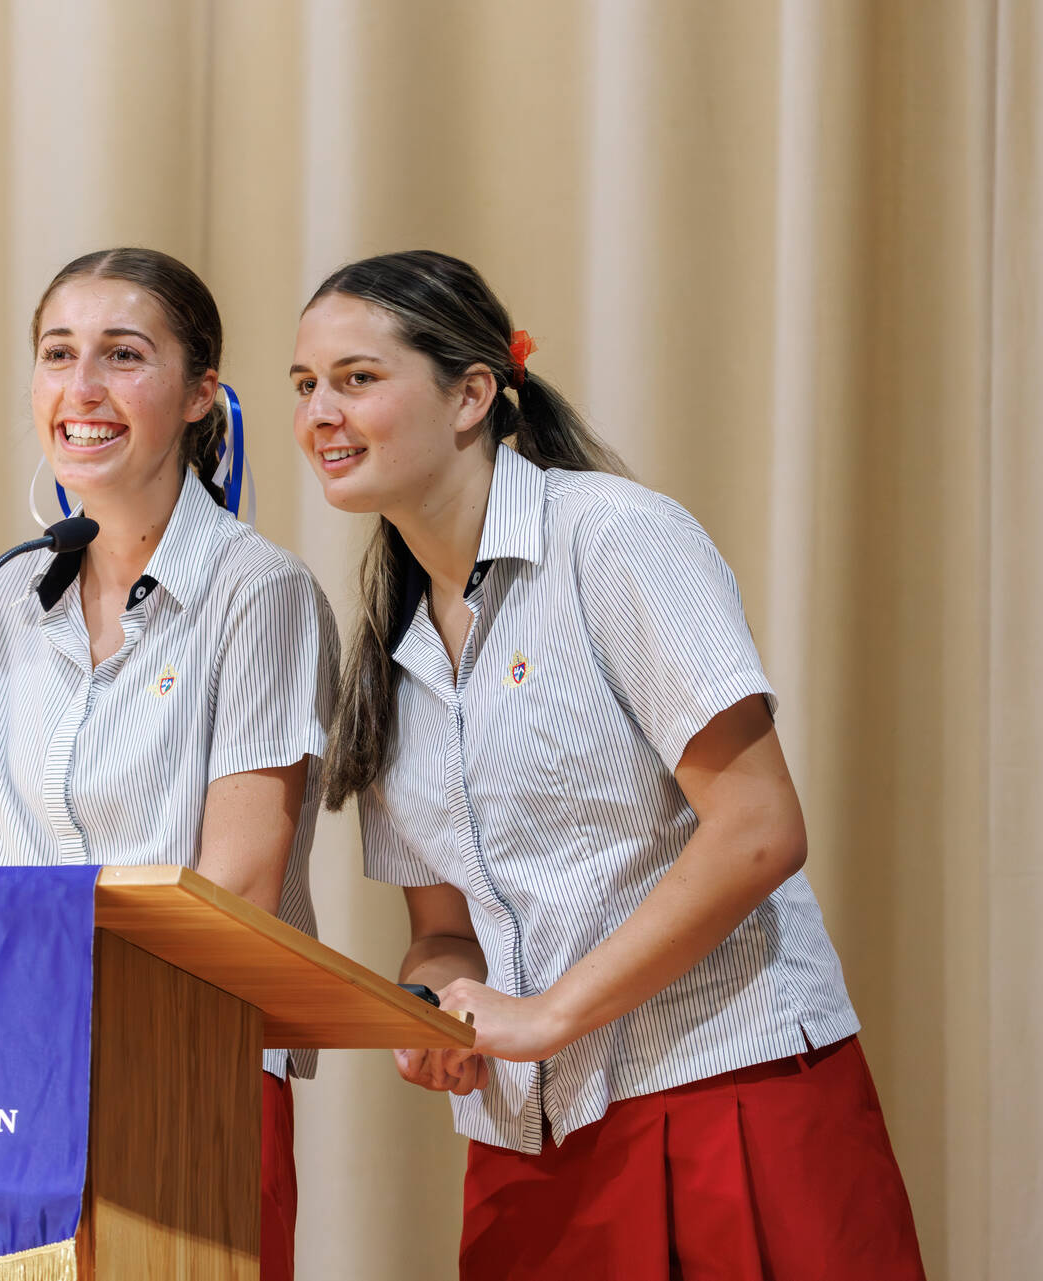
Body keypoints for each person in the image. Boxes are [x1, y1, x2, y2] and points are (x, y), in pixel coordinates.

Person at [288, 249, 924, 1279]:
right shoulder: (390, 648)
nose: (321, 411)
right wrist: (436, 1004)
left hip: (725, 1096)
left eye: (358, 378)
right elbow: (445, 931)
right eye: (306, 384)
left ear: (472, 395)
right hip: (531, 1147)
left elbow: (759, 829)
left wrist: (544, 1016)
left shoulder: (617, 538)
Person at [0, 247, 335, 1281]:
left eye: (123, 357)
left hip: (188, 1075)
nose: (81, 390)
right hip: (1, 1082)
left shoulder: (256, 592)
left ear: (199, 396)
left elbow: (238, 887)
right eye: (59, 355)